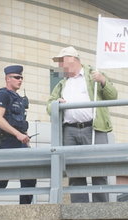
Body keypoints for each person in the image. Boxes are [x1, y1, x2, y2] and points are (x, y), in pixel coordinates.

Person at [47, 46, 118, 203]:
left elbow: (112, 96)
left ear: (73, 59)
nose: (59, 65)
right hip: (70, 131)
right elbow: (49, 104)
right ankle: (79, 210)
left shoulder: (94, 74)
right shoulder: (61, 82)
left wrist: (103, 81)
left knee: (99, 170)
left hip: (94, 128)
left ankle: (101, 210)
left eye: (61, 61)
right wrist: (55, 104)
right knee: (75, 173)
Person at [0, 65, 37, 205]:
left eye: (21, 77)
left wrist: (25, 137)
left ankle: (25, 210)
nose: (20, 80)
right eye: (17, 77)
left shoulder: (18, 98)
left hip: (20, 142)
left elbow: (20, 122)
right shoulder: (3, 94)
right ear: (7, 78)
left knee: (29, 177)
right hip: (7, 142)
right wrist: (18, 134)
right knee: (0, 180)